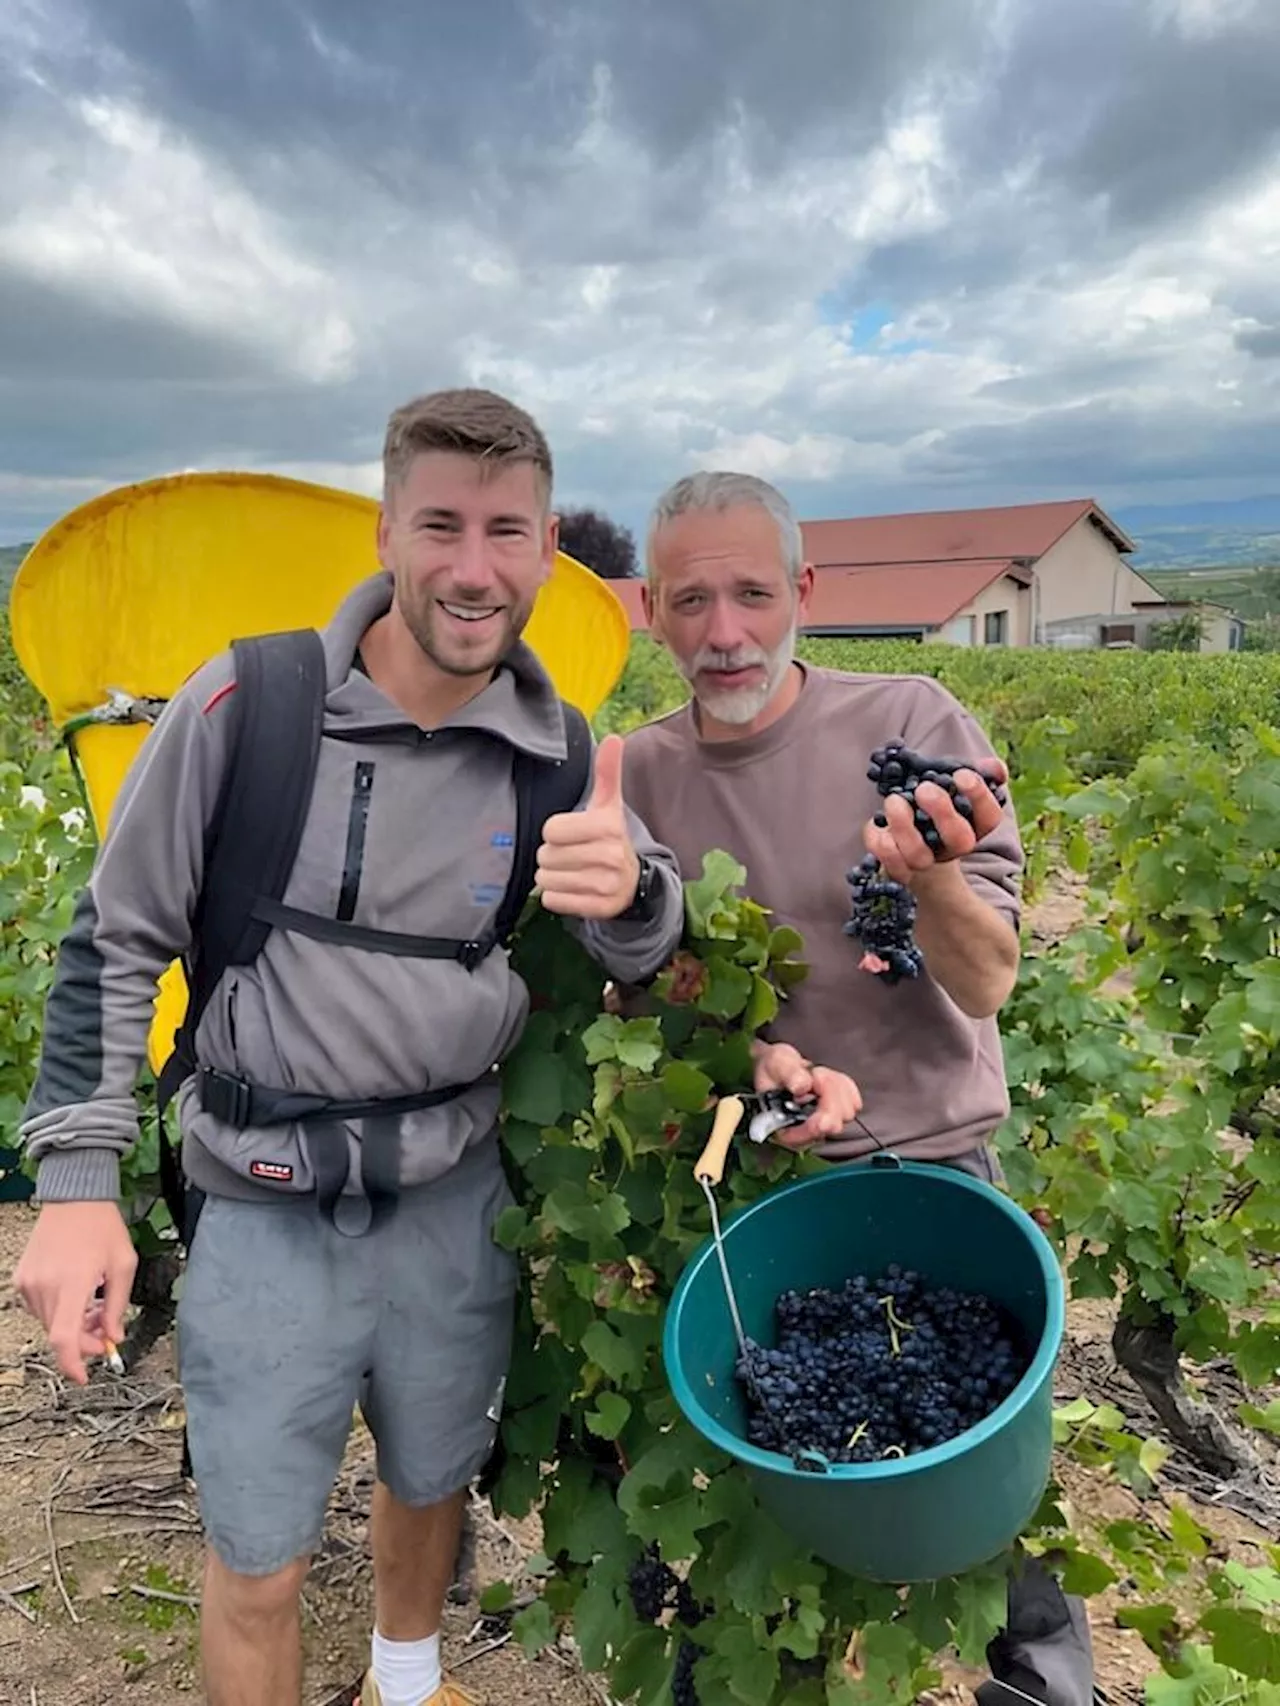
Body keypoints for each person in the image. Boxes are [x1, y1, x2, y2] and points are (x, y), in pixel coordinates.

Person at [11, 389, 686, 1706]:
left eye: (507, 530)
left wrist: (641, 900)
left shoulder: (560, 753)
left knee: (431, 1476)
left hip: (454, 1200)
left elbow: (631, 947)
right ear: (388, 532)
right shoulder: (245, 705)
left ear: (549, 549)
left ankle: (406, 1678)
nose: (473, 565)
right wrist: (77, 1187)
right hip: (264, 1201)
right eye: (441, 523)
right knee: (259, 1558)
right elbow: (112, 939)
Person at [618, 470, 1096, 1706]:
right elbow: (649, 996)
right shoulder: (640, 777)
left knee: (978, 1444)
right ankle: (728, 1676)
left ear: (803, 593)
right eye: (690, 600)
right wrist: (751, 1065)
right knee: (768, 1459)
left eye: (751, 593)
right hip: (763, 1181)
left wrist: (928, 878)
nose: (723, 630)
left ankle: (1042, 1671)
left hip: (937, 1163)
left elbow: (985, 981)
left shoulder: (911, 717)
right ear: (648, 611)